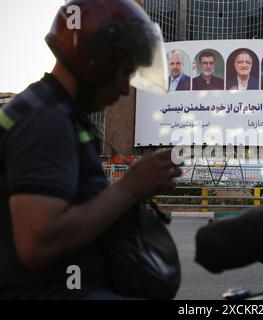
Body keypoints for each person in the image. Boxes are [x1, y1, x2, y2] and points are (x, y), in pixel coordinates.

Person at [0, 0, 181, 300]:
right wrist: (130, 189)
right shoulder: (46, 119)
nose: (125, 89)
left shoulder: (58, 113)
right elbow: (39, 244)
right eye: (124, 72)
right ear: (95, 59)